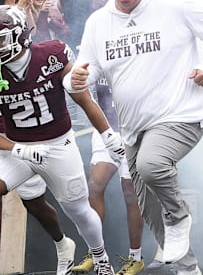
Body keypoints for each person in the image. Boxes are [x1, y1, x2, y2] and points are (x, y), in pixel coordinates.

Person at [67, 0, 203, 275]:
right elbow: (86, 69)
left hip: (182, 113)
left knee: (151, 165)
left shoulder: (175, 5)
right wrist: (78, 78)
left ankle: (180, 216)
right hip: (133, 126)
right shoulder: (99, 22)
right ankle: (188, 269)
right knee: (147, 204)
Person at [0, 5, 124, 275]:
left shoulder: (52, 55)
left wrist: (107, 135)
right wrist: (17, 149)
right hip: (17, 148)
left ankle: (101, 258)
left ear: (21, 35)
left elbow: (83, 97)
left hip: (58, 145)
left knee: (79, 211)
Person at [72, 79, 145, 275]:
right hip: (105, 128)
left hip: (136, 130)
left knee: (130, 192)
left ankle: (135, 258)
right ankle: (95, 254)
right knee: (95, 185)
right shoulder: (97, 53)